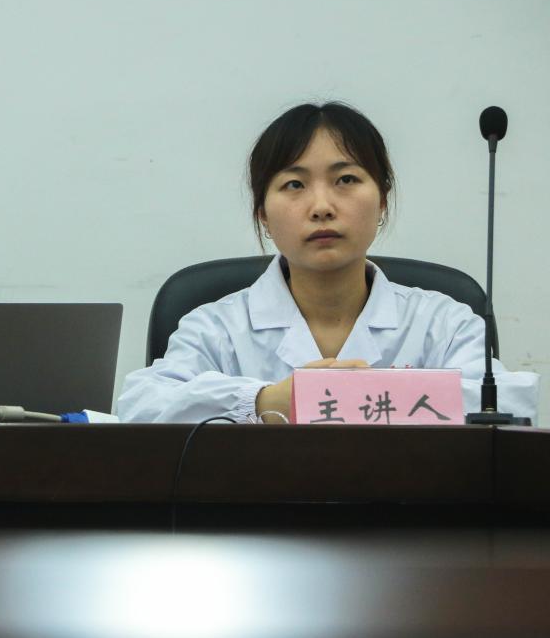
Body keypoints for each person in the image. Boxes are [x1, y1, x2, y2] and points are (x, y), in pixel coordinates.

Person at [118, 102, 538, 424]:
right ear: (262, 214)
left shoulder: (444, 322)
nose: (321, 206)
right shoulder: (214, 327)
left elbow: (508, 408)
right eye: (294, 184)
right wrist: (264, 402)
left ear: (382, 200)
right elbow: (139, 406)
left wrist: (354, 395)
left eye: (346, 179)